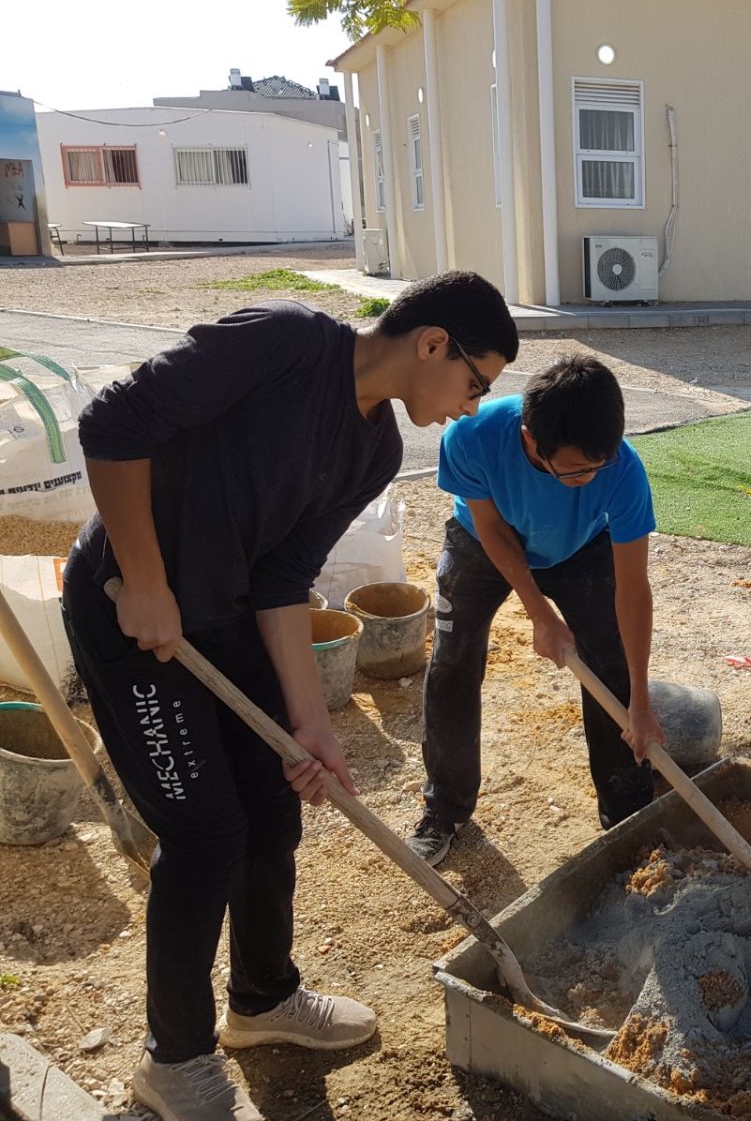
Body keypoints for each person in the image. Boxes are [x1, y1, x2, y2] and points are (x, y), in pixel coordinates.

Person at [61, 271, 517, 1121]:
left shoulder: (376, 449)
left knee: (275, 803)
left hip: (225, 610)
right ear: (431, 343)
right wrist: (150, 577)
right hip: (131, 612)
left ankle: (263, 1000)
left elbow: (281, 579)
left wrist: (311, 725)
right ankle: (175, 1059)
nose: (470, 405)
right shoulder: (286, 342)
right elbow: (115, 420)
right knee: (205, 831)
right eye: (475, 383)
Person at [408, 354, 663, 866]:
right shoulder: (471, 435)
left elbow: (633, 588)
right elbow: (493, 532)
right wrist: (539, 613)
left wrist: (640, 699)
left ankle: (629, 816)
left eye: (599, 465)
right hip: (486, 540)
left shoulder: (623, 469)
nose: (590, 478)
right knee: (453, 662)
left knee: (609, 665)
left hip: (580, 547)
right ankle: (445, 809)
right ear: (530, 440)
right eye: (574, 470)